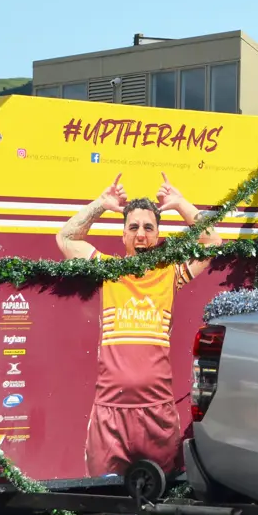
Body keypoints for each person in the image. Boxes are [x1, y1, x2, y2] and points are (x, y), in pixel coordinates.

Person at [55, 172, 219, 478]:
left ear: (157, 235)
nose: (141, 234)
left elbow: (212, 243)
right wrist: (100, 204)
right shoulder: (108, 270)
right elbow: (66, 238)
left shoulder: (169, 274)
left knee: (160, 494)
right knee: (104, 496)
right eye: (133, 227)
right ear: (123, 235)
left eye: (148, 227)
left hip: (157, 412)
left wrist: (180, 203)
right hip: (110, 414)